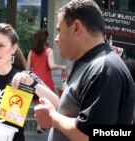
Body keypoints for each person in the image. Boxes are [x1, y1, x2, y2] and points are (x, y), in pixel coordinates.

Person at [34, 0, 135, 141]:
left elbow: (92, 134)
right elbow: (74, 112)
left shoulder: (104, 69)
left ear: (76, 27)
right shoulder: (89, 64)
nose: (56, 38)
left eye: (59, 30)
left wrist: (52, 117)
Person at [27, 29, 66, 97]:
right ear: (46, 38)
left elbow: (27, 69)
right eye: (49, 38)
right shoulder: (49, 50)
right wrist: (62, 66)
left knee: (36, 104)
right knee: (48, 102)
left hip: (35, 81)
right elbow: (51, 66)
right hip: (46, 82)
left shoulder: (31, 52)